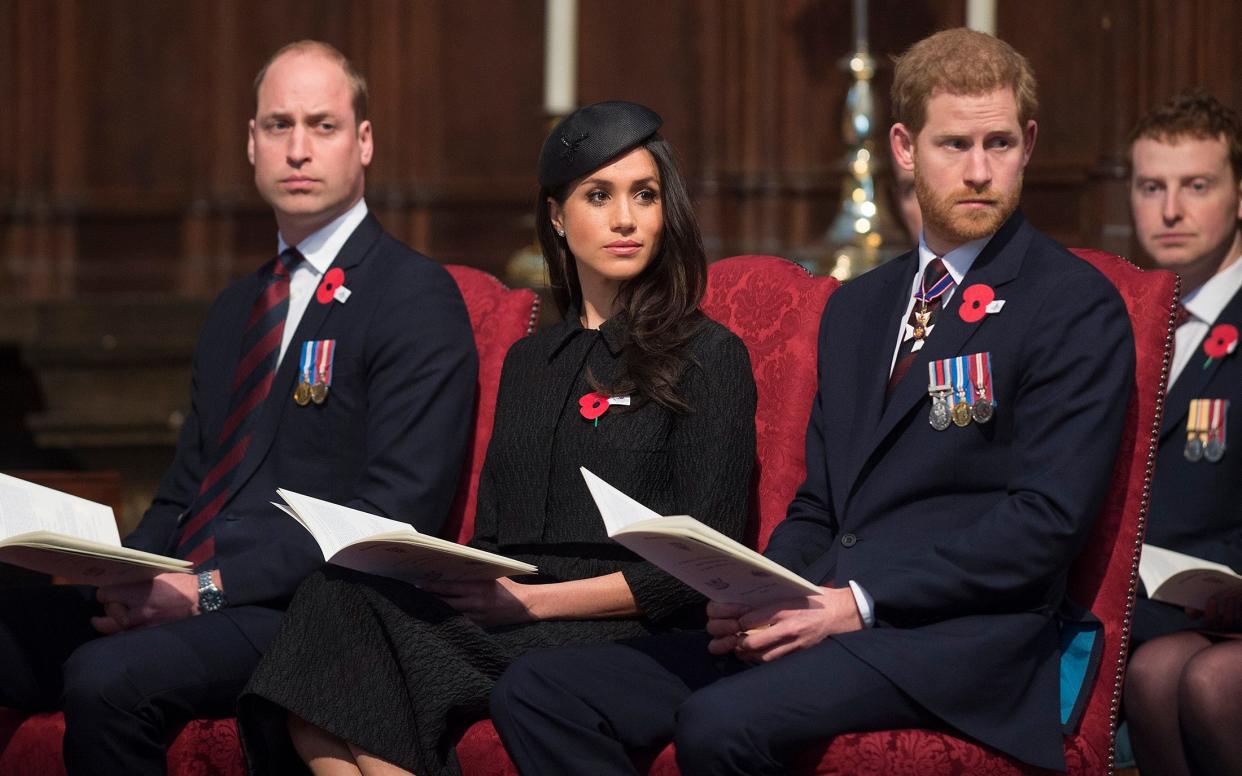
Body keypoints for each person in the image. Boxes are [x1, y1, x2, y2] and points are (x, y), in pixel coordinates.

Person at [490, 28, 1134, 775]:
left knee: (718, 722)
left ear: (1028, 143)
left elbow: (1043, 525)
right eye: (954, 145)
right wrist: (756, 589)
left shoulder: (1073, 304)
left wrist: (855, 602)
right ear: (903, 147)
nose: (980, 170)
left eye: (999, 144)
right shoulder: (861, 306)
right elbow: (821, 507)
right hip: (823, 612)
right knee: (540, 691)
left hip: (958, 644)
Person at [236, 100, 757, 776]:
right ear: (556, 218)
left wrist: (535, 601)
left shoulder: (709, 354)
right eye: (598, 196)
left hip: (624, 626)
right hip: (511, 613)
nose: (626, 219)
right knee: (332, 604)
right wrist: (443, 570)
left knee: (348, 672)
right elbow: (492, 537)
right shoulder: (528, 363)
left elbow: (705, 560)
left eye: (645, 196)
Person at [0, 40, 477, 776]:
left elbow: (393, 515)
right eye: (278, 126)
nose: (298, 149)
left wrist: (206, 592)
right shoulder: (235, 309)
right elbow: (186, 491)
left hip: (304, 612)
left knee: (107, 679)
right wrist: (117, 570)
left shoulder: (412, 295)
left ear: (365, 142)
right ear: (251, 144)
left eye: (322, 126)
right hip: (189, 589)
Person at [1121, 90, 1242, 776]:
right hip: (1153, 612)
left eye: (1196, 186)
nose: (1170, 211)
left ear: (1238, 195)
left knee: (1194, 678)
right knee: (1155, 673)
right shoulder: (1123, 322)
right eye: (1151, 187)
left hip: (1219, 594)